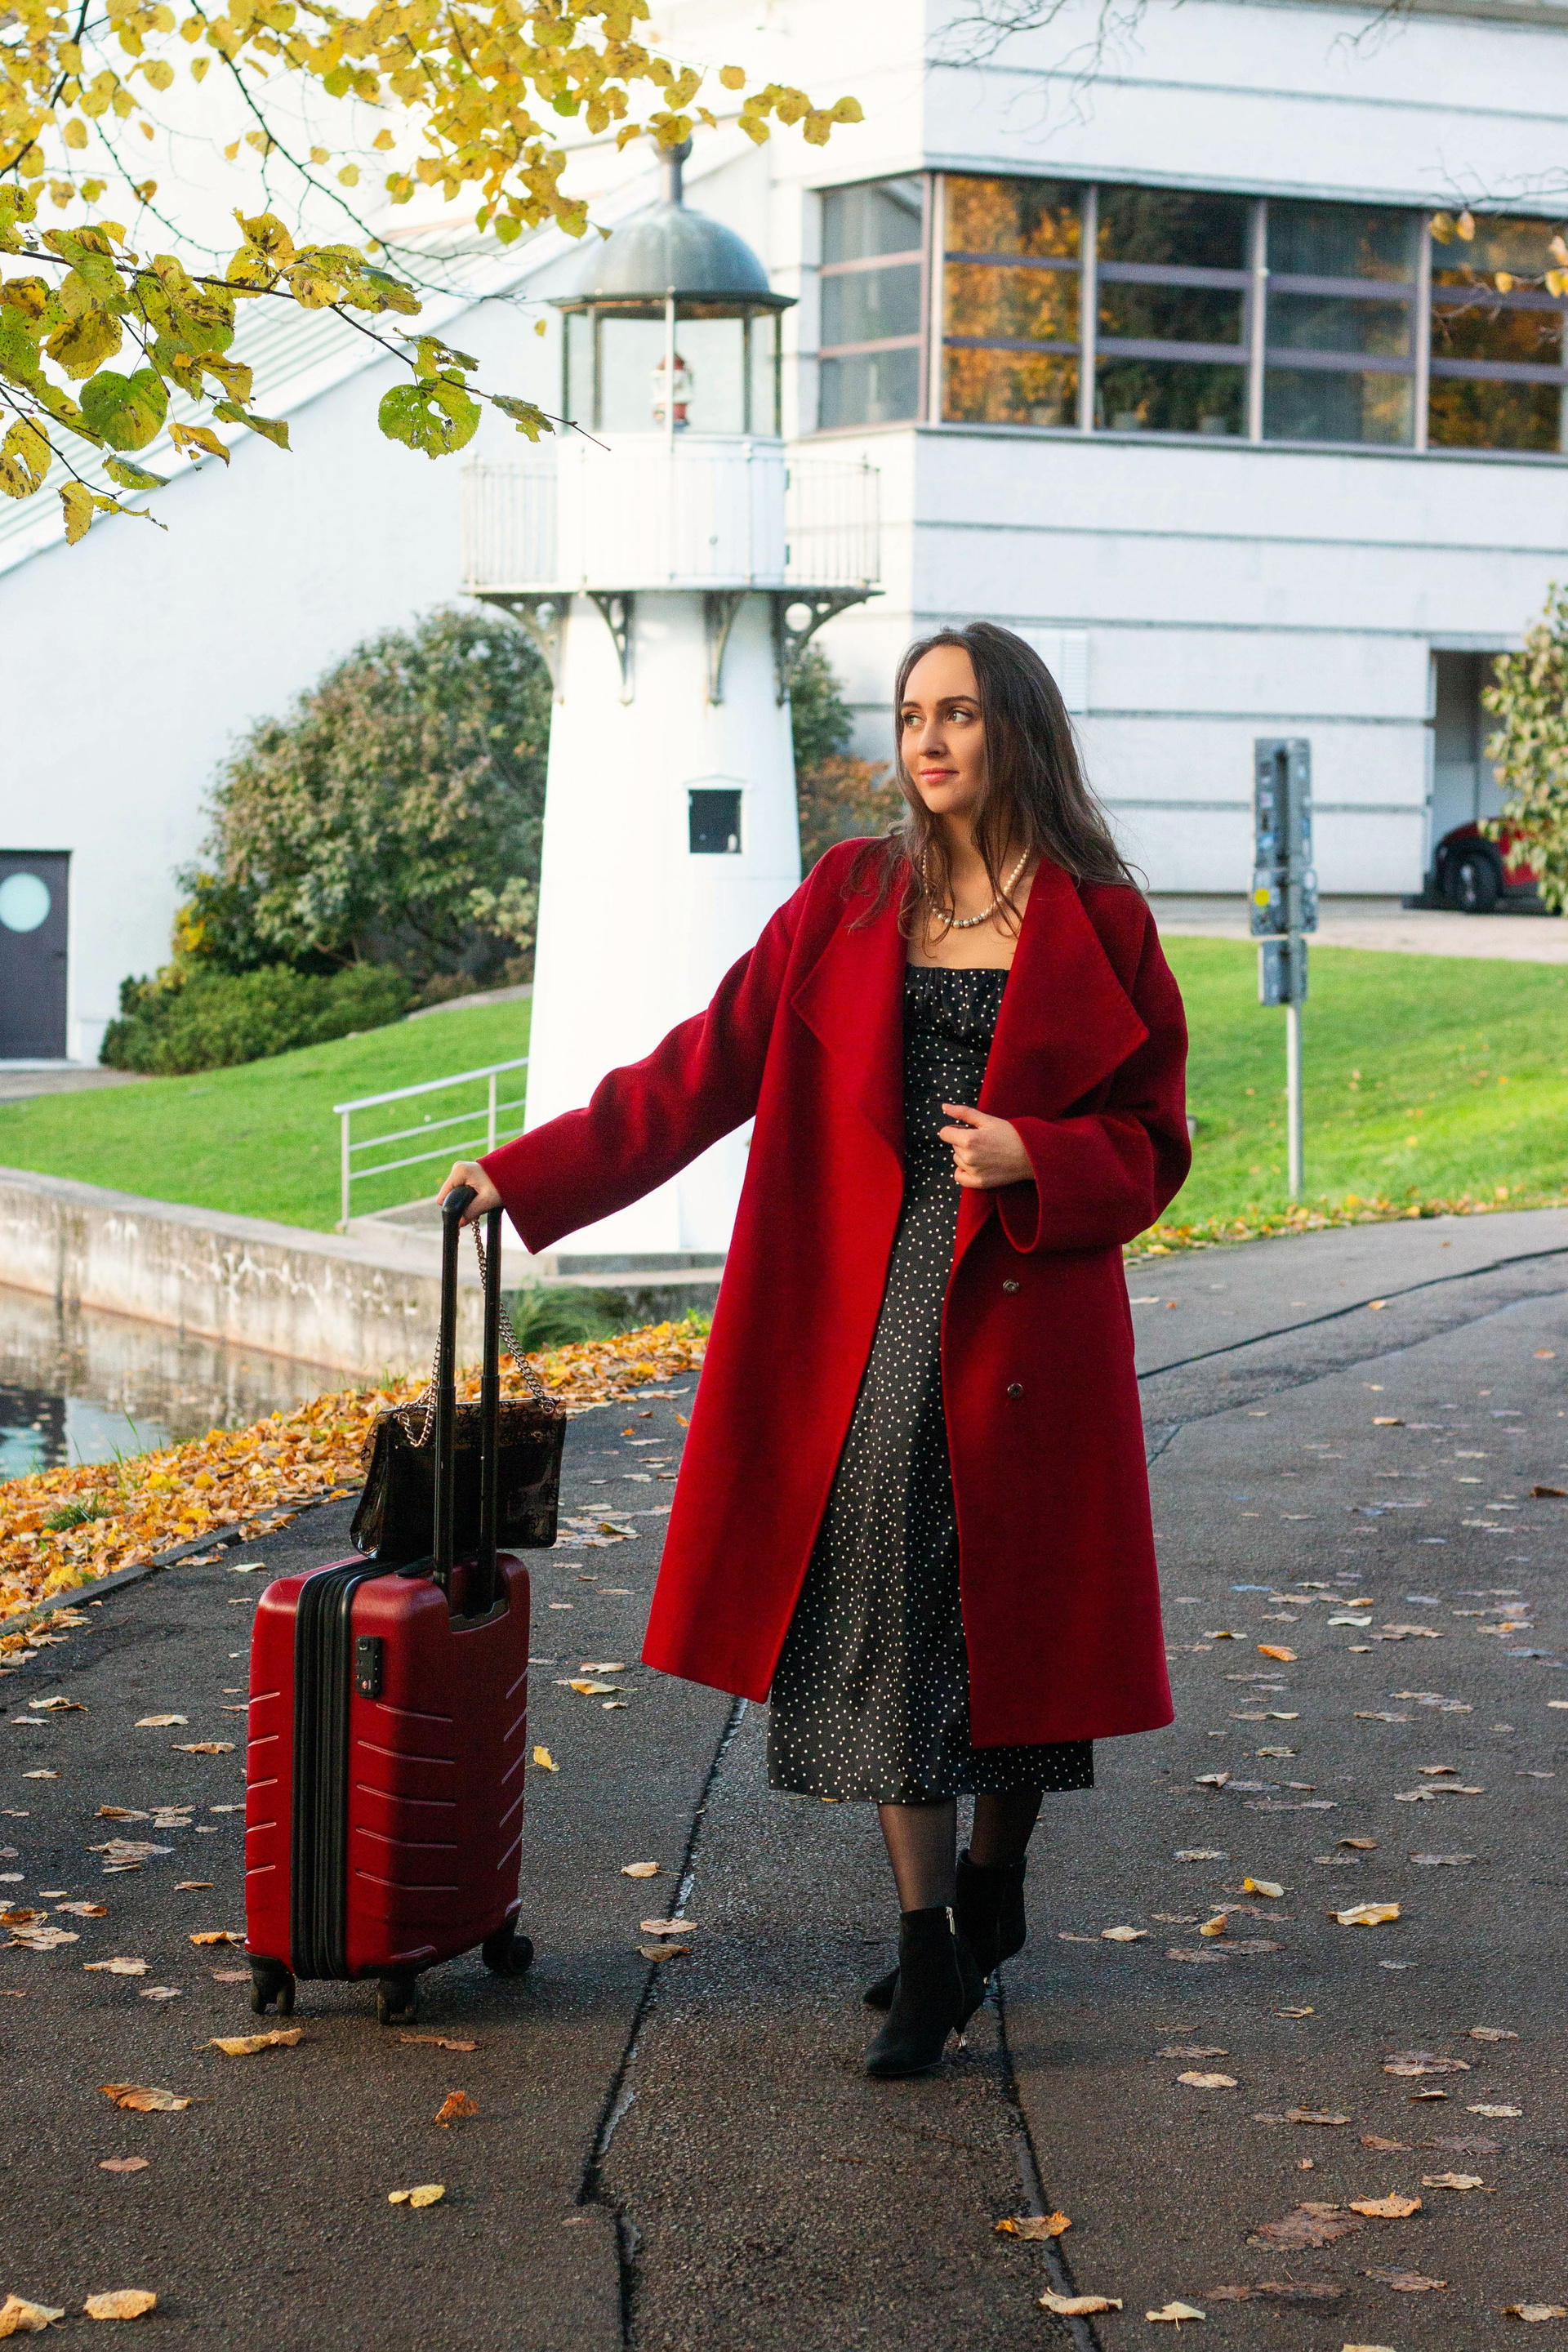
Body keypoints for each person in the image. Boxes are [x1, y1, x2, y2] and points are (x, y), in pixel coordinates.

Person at [441, 621, 1190, 2079]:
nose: (929, 741)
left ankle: (992, 1883)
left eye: (958, 714)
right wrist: (528, 1177)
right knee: (893, 1601)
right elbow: (699, 1068)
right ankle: (928, 1941)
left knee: (1017, 1617)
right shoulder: (850, 893)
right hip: (860, 1303)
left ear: (1017, 730)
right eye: (912, 715)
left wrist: (1040, 1155)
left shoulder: (1101, 920)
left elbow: (1157, 1145)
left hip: (1028, 1307)